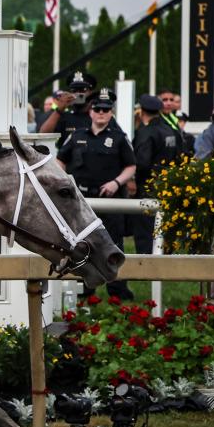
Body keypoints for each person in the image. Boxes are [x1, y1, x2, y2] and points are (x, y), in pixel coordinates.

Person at [56, 89, 136, 300]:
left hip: (111, 201)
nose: (101, 112)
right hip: (82, 203)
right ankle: (85, 291)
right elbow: (59, 161)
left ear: (111, 113)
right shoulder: (77, 136)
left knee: (114, 245)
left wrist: (116, 182)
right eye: (98, 109)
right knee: (82, 245)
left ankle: (117, 291)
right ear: (91, 112)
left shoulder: (119, 138)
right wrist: (67, 183)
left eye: (106, 109)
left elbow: (131, 166)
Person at [130, 93, 179, 254]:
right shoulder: (171, 130)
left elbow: (142, 163)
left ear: (142, 111)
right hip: (168, 187)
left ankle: (146, 267)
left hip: (147, 188)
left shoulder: (146, 132)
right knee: (165, 229)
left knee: (146, 232)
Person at [38, 71, 105, 146]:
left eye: (83, 90)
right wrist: (59, 110)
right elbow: (43, 135)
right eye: (74, 90)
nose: (78, 94)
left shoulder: (100, 115)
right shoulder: (64, 116)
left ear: (90, 93)